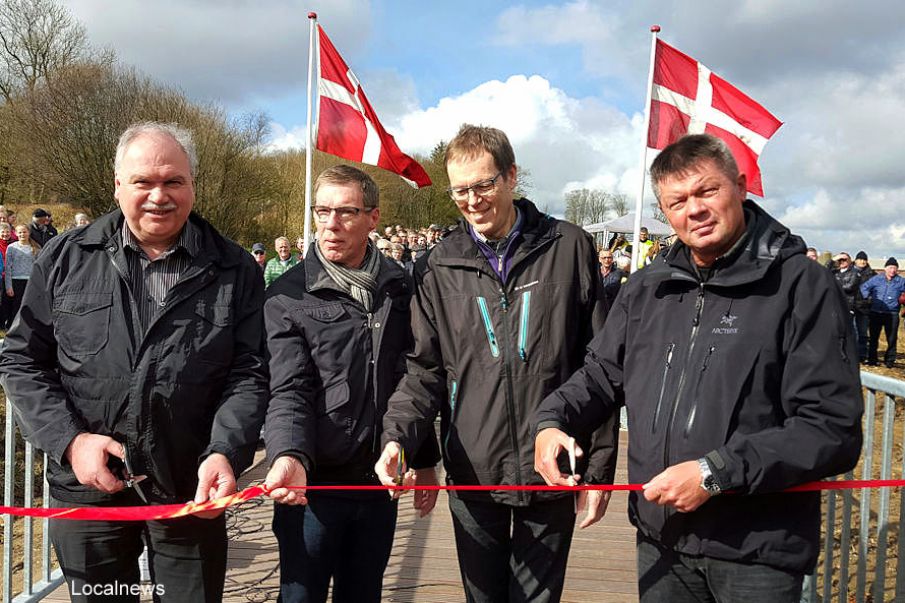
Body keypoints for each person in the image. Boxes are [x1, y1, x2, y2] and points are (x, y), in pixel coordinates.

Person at [534, 134, 863, 602]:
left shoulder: (801, 285)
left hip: (757, 550)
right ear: (665, 213)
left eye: (707, 191)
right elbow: (601, 374)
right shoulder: (648, 287)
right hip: (661, 538)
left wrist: (717, 472)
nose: (695, 210)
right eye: (677, 201)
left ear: (741, 187)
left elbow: (831, 428)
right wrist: (552, 420)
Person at [0, 122, 269, 602]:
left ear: (192, 185)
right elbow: (22, 359)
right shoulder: (65, 257)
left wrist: (225, 450)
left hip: (192, 486)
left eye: (173, 181)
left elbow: (249, 373)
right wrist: (69, 441)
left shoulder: (235, 268)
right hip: (87, 491)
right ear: (117, 184)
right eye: (143, 181)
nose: (158, 196)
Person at [375, 124, 619, 602]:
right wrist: (396, 439)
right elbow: (424, 370)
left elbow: (602, 363)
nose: (473, 200)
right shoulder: (437, 264)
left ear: (510, 176)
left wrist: (600, 471)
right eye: (460, 190)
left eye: (484, 184)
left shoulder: (568, 246)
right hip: (474, 467)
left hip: (553, 465)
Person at [262, 165, 440, 603]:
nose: (330, 224)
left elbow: (415, 374)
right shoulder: (287, 295)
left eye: (345, 212)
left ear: (373, 218)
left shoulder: (401, 288)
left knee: (363, 596)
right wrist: (288, 453)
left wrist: (425, 457)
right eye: (322, 211)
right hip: (313, 484)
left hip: (380, 480)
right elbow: (289, 388)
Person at [860, 257, 905, 368]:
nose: (892, 270)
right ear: (885, 268)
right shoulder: (877, 279)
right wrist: (868, 298)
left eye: (895, 268)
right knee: (874, 337)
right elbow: (864, 287)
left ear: (897, 270)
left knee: (891, 338)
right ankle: (872, 360)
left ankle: (889, 361)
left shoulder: (901, 281)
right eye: (890, 268)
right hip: (875, 312)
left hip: (892, 313)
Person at [4, 224, 38, 329]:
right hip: (16, 281)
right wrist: (8, 286)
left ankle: (27, 327)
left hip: (31, 282)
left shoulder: (36, 248)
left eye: (24, 232)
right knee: (16, 306)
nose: (22, 234)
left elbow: (38, 267)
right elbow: (8, 268)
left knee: (30, 305)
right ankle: (13, 327)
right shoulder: (11, 248)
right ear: (16, 233)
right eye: (20, 232)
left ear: (29, 232)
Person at [853, 250, 873, 362]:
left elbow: (875, 290)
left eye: (864, 260)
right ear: (855, 261)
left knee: (863, 333)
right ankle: (852, 353)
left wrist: (869, 300)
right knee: (853, 332)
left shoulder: (871, 274)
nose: (862, 262)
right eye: (860, 259)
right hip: (851, 306)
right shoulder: (849, 271)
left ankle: (862, 354)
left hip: (864, 307)